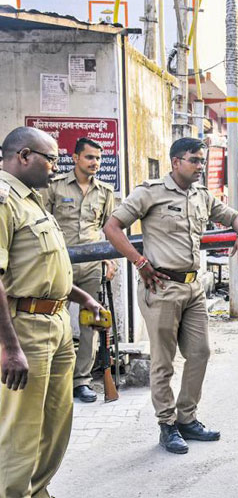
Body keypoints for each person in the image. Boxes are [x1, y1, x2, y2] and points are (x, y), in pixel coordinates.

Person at [103, 138, 238, 454]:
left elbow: (234, 216)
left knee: (200, 353)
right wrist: (139, 261)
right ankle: (167, 425)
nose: (200, 166)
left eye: (202, 160)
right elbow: (113, 227)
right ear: (175, 162)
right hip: (162, 288)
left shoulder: (201, 196)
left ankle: (187, 418)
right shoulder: (150, 192)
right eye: (195, 160)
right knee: (163, 362)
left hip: (193, 287)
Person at [0, 127, 105, 498]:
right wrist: (9, 348)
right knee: (22, 426)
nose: (55, 167)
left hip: (57, 321)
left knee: (56, 422)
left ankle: (37, 489)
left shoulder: (32, 199)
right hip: (24, 327)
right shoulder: (4, 200)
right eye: (51, 158)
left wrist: (82, 298)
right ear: (24, 156)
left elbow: (45, 268)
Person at [41, 137, 117, 403]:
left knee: (89, 322)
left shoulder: (105, 192)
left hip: (91, 267)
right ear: (75, 158)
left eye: (98, 158)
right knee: (54, 318)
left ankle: (81, 381)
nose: (95, 162)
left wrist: (109, 259)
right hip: (59, 265)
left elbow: (110, 230)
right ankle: (54, 378)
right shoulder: (54, 186)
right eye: (89, 157)